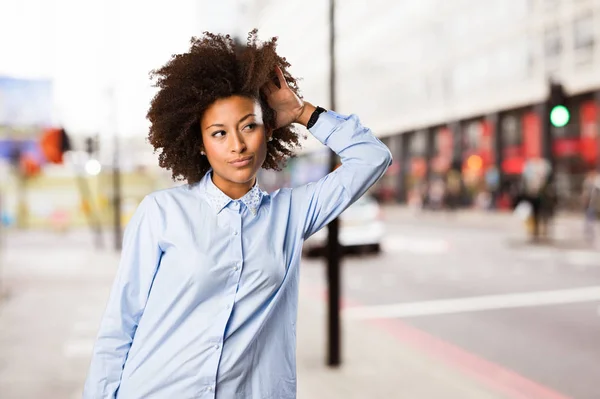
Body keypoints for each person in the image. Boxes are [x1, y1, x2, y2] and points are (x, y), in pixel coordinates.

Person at [82, 31, 392, 398]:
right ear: (199, 143)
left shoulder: (291, 215)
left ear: (268, 129)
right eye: (218, 133)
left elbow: (372, 157)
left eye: (249, 125)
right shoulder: (162, 213)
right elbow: (121, 323)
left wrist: (302, 112)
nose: (237, 145)